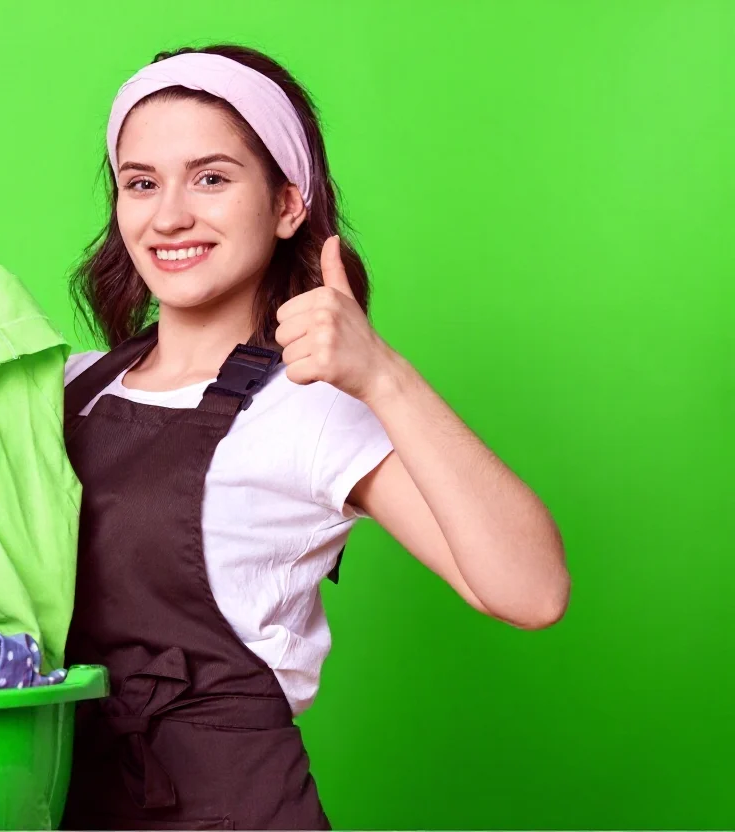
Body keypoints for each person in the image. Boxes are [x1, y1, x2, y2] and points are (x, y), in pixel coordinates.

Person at [58, 44, 571, 831]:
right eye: (141, 183)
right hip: (57, 800)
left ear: (289, 204)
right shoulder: (69, 388)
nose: (169, 216)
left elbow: (529, 591)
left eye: (212, 177)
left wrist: (383, 377)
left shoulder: (310, 408)